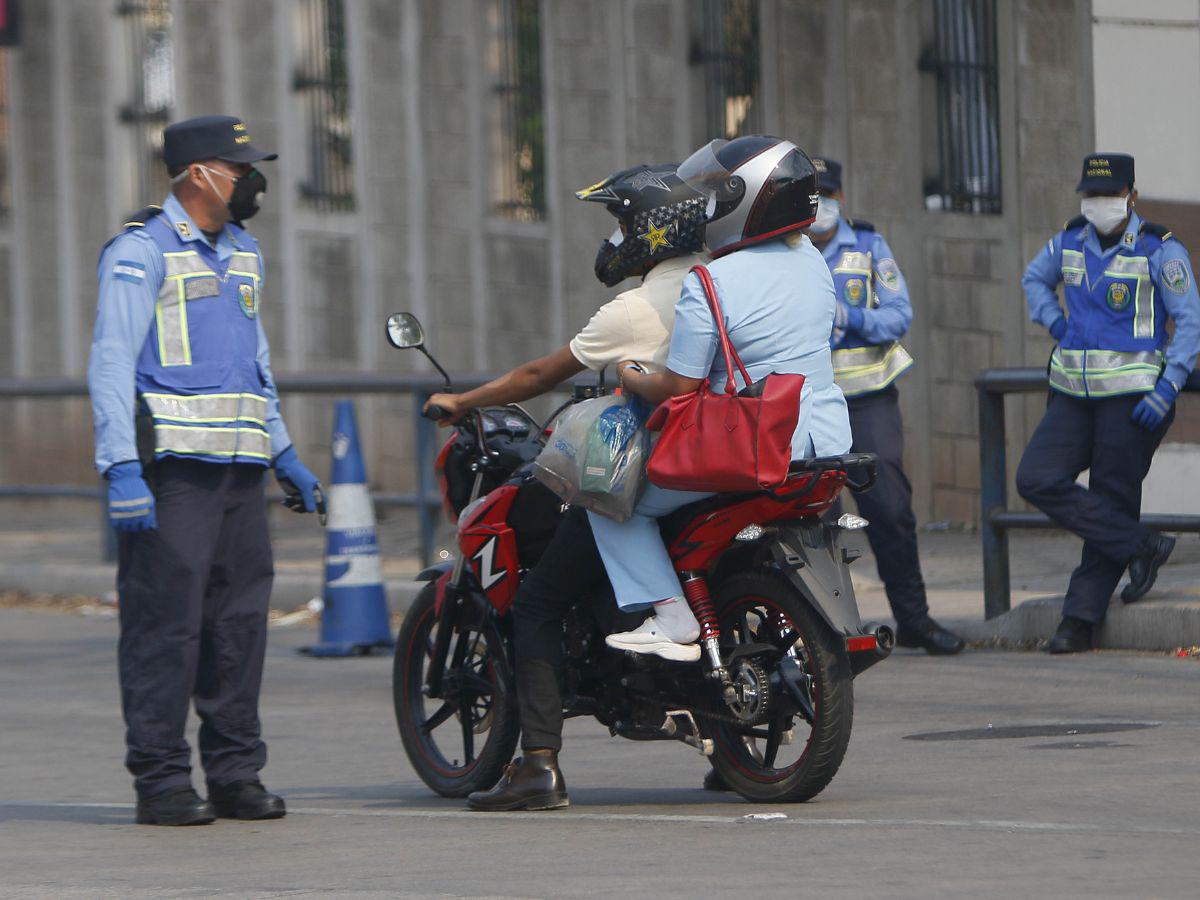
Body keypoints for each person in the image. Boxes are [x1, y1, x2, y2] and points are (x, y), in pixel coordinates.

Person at [421, 164, 710, 812]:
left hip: (653, 467)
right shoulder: (722, 282)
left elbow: (538, 374)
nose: (614, 238)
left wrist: (460, 400)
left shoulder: (638, 307)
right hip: (724, 465)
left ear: (647, 231)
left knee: (539, 603)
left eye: (620, 223)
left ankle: (539, 766)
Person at [88, 116, 323, 825]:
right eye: (238, 166)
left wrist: (282, 451)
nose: (251, 180)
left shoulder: (245, 252)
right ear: (198, 174)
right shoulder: (142, 251)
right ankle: (161, 780)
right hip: (172, 475)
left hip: (240, 473)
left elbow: (258, 366)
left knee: (238, 625)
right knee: (167, 627)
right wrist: (120, 467)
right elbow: (109, 362)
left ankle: (234, 772)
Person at [589, 136, 852, 664]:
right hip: (827, 444)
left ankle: (673, 617)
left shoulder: (709, 281)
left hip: (753, 449)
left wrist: (632, 374)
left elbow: (681, 388)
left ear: (750, 200)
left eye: (717, 195)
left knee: (615, 506)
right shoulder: (814, 263)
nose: (707, 207)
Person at [1016, 153, 1200, 653]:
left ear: (1131, 196)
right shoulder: (1069, 240)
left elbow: (1190, 321)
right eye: (1091, 195)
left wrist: (1168, 387)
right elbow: (1033, 279)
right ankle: (1139, 543)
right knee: (1035, 477)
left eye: (1109, 195)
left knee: (1112, 496)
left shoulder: (1159, 249)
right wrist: (1055, 323)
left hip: (1135, 397)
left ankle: (1078, 619)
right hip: (1073, 393)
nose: (1098, 204)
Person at [805, 157, 964, 655]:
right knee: (815, 522)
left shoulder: (869, 247)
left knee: (891, 510)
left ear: (841, 197)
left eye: (827, 194)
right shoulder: (787, 253)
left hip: (869, 402)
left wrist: (847, 317)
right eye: (812, 197)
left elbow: (899, 316)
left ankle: (914, 620)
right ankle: (825, 631)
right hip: (808, 406)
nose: (820, 206)